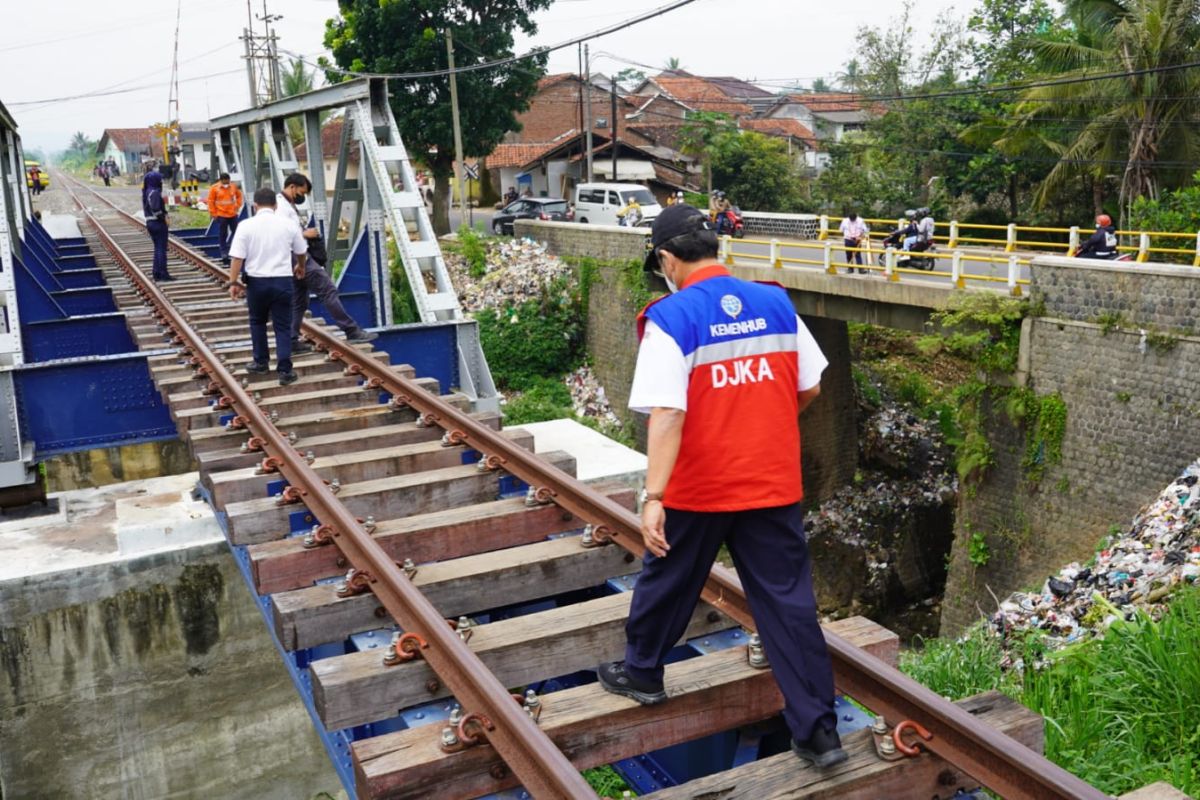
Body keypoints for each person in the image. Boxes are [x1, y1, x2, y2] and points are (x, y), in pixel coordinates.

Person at [596, 203, 847, 770]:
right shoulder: (775, 302)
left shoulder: (672, 316)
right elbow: (808, 387)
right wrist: (760, 424)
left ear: (666, 258)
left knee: (670, 576)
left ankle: (642, 672)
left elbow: (667, 413)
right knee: (788, 605)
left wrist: (653, 496)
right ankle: (819, 732)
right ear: (715, 247)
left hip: (700, 485)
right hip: (771, 483)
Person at [275, 173, 378, 351]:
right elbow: (280, 234)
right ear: (292, 187)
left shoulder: (286, 204)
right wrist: (304, 234)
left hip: (292, 257)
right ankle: (351, 330)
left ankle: (291, 340)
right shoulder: (281, 207)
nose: (302, 197)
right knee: (328, 290)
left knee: (300, 300)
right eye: (301, 192)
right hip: (297, 257)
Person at [227, 187, 308, 386]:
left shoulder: (246, 225)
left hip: (257, 283)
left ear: (255, 206)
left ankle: (261, 362)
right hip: (283, 282)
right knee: (282, 326)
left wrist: (233, 281)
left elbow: (237, 257)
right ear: (275, 204)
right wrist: (301, 266)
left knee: (257, 322)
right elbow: (301, 250)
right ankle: (285, 371)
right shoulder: (288, 224)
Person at [205, 173, 244, 264]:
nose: (227, 183)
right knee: (223, 234)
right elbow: (210, 201)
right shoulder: (215, 188)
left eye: (228, 181)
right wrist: (213, 214)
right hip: (221, 214)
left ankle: (236, 250)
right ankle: (224, 252)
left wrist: (237, 206)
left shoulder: (233, 186)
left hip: (232, 214)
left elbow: (239, 195)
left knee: (237, 232)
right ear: (221, 180)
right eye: (225, 181)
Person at [142, 168, 172, 281]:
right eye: (159, 180)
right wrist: (163, 218)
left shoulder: (147, 191)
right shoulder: (154, 192)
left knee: (157, 248)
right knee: (161, 249)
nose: (161, 182)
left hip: (150, 222)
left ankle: (156, 272)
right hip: (157, 223)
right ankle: (163, 273)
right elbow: (155, 208)